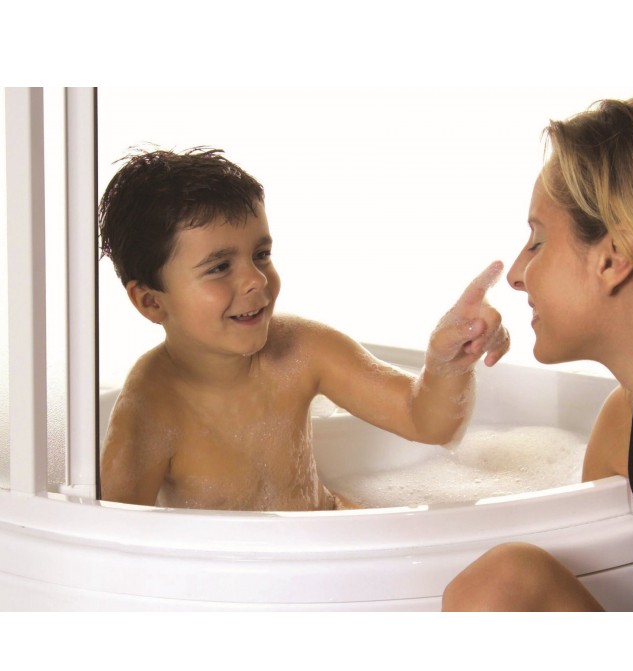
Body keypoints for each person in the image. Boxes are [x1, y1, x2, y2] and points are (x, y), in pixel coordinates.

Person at [98, 147, 509, 511]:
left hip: (328, 529)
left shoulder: (302, 349)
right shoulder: (151, 408)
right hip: (238, 569)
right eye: (220, 267)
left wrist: (449, 364)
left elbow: (426, 422)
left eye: (261, 254)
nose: (256, 279)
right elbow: (114, 539)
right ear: (151, 301)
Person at [442, 93, 633, 612]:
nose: (516, 274)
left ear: (614, 258)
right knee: (504, 583)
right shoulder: (628, 427)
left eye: (537, 241)